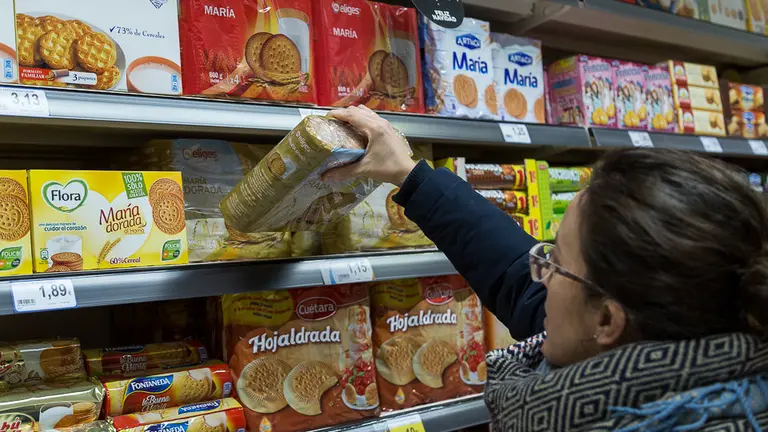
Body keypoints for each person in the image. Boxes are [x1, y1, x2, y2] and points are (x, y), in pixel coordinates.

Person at [323, 105, 768, 431]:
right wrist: (410, 174)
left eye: (555, 263)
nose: (541, 274)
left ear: (606, 319)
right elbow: (517, 275)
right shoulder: (706, 340)